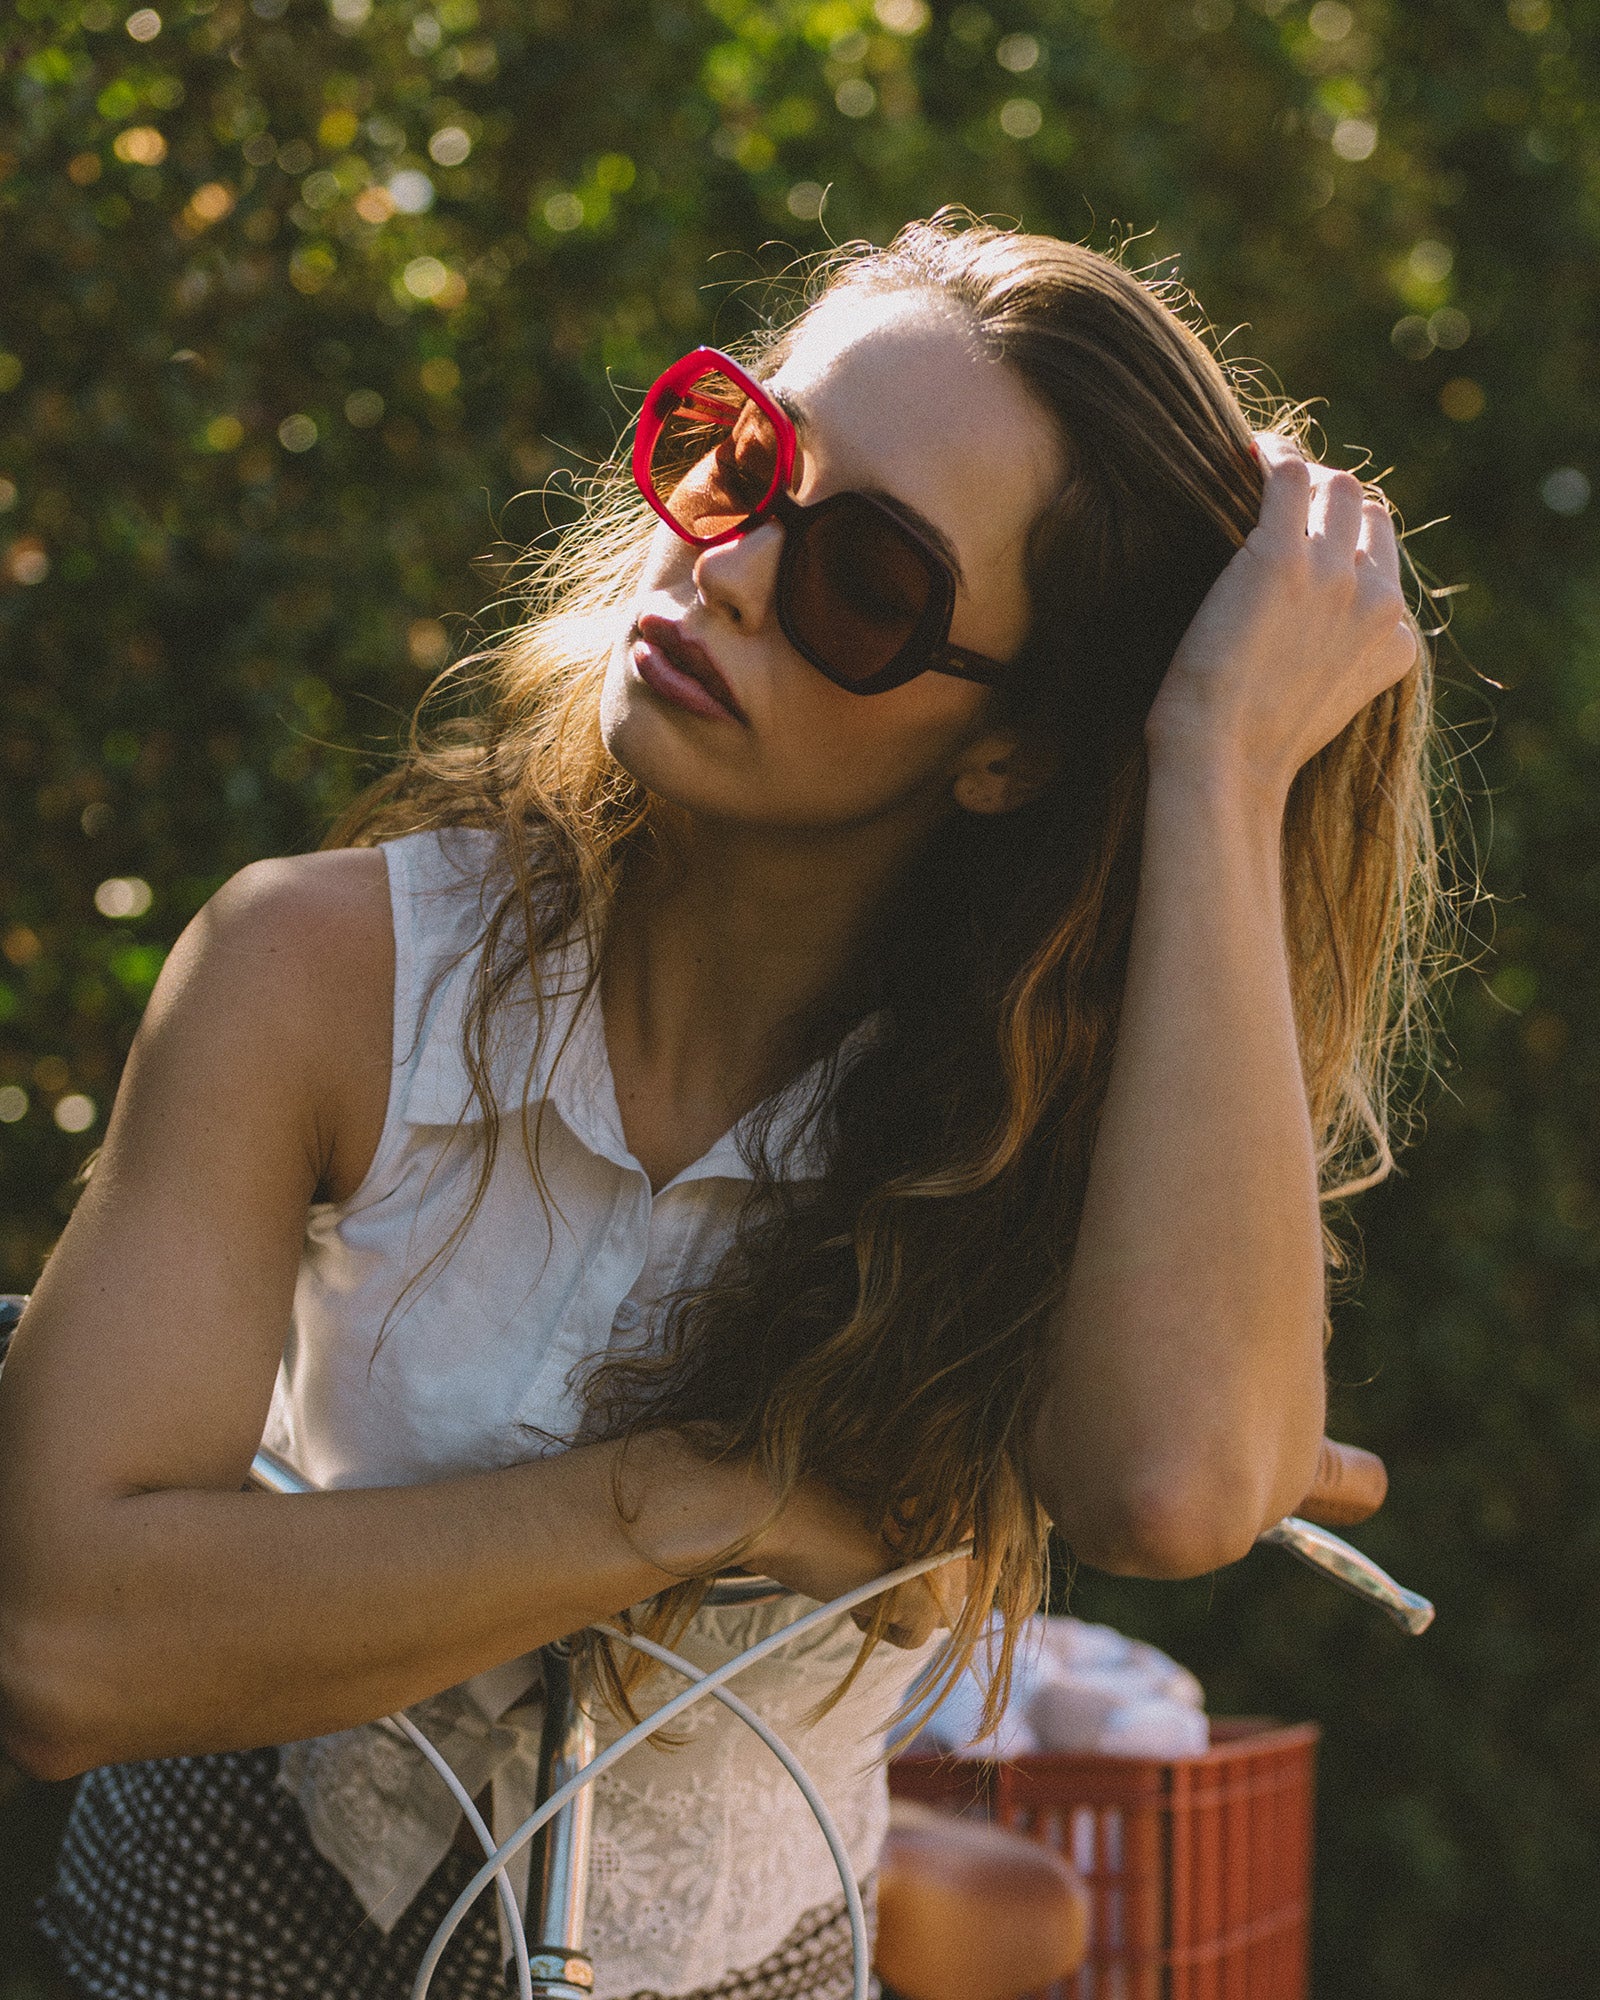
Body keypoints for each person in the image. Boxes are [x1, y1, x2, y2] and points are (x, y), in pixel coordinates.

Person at [0, 211, 1431, 2000]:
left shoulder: (1031, 1129)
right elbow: (61, 1645)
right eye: (740, 458)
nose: (733, 568)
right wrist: (705, 1494)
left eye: (866, 582)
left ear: (1013, 751)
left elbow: (1170, 1487)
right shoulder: (318, 972)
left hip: (746, 1955)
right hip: (218, 1922)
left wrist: (1216, 757)